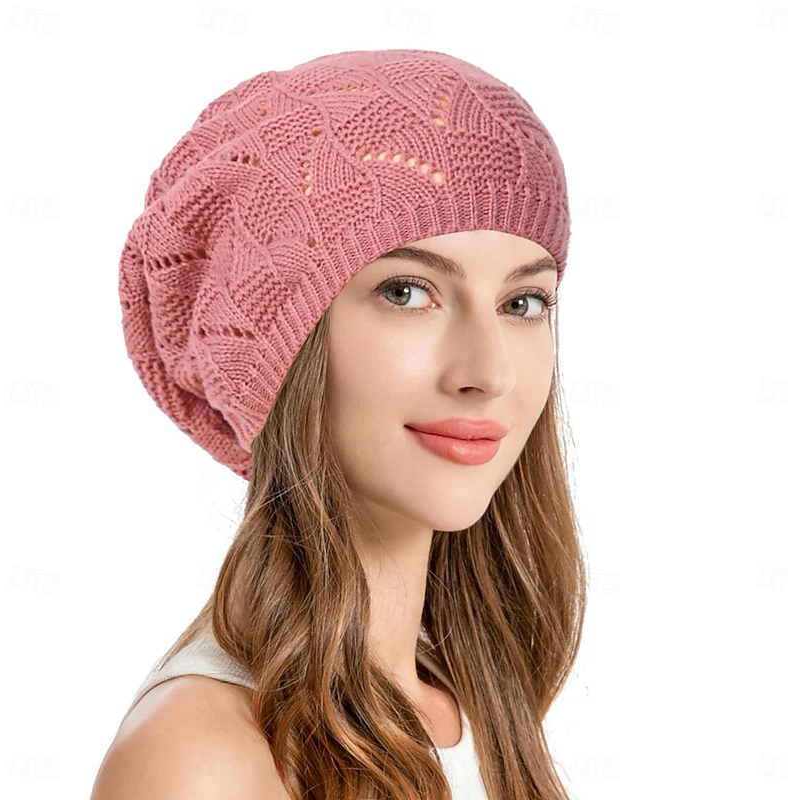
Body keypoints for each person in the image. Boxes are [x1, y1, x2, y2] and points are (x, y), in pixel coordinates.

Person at [91, 49, 586, 800]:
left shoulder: (468, 701)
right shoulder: (205, 759)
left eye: (523, 303)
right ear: (281, 347)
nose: (489, 372)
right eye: (407, 292)